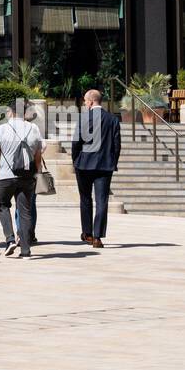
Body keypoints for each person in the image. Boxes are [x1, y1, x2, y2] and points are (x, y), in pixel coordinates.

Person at [0, 101, 43, 258]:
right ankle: (25, 249)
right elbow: (38, 155)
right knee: (25, 211)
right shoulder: (34, 128)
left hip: (6, 176)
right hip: (27, 177)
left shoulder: (1, 129)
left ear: (10, 111)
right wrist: (37, 174)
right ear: (24, 112)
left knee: (3, 205)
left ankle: (10, 238)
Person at [71, 87, 121, 249]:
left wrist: (75, 160)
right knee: (102, 201)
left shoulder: (84, 118)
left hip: (84, 164)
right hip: (105, 166)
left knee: (85, 199)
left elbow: (76, 143)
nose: (85, 104)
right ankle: (98, 237)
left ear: (91, 101)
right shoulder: (113, 119)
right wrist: (112, 161)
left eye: (85, 101)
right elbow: (116, 145)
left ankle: (87, 233)